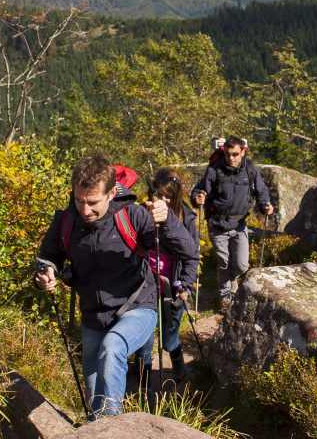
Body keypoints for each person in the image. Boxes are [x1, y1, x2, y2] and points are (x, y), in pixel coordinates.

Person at [34, 154, 197, 417]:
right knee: (96, 393)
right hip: (93, 316)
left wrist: (166, 220)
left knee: (113, 349)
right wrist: (46, 274)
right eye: (79, 201)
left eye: (92, 202)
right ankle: (102, 437)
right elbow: (47, 258)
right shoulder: (67, 221)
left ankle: (112, 434)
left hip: (138, 307)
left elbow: (187, 249)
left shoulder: (132, 215)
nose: (85, 210)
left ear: (111, 193)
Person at [191, 136, 273, 309]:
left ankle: (233, 282)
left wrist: (266, 204)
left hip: (240, 225)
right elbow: (200, 189)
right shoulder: (215, 169)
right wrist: (197, 197)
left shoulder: (249, 169)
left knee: (242, 265)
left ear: (243, 151)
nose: (231, 158)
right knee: (223, 262)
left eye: (235, 154)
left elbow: (261, 190)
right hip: (218, 224)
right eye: (228, 154)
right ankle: (225, 297)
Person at [136, 168, 200, 383]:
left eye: (168, 196)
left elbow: (192, 256)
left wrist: (186, 284)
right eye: (159, 195)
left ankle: (179, 369)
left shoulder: (186, 216)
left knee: (170, 332)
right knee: (144, 328)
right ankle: (142, 375)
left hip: (173, 283)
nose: (163, 200)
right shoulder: (143, 211)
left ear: (176, 197)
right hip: (146, 281)